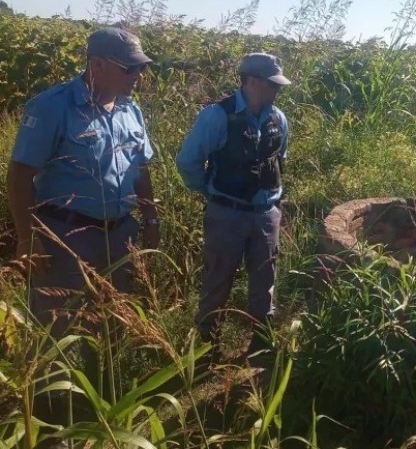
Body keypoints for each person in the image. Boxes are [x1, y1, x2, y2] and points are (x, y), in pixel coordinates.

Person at [6, 26, 158, 446]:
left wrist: (152, 223)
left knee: (113, 325)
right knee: (56, 331)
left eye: (140, 68)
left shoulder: (131, 110)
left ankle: (102, 408)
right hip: (65, 236)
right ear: (97, 65)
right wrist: (27, 239)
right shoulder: (54, 107)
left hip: (121, 235)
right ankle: (52, 425)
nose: (137, 76)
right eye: (129, 68)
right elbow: (20, 176)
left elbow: (143, 172)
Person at [175, 52, 290, 363]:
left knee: (265, 282)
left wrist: (273, 199)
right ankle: (206, 351)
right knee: (217, 280)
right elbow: (188, 162)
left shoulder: (277, 118)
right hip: (226, 213)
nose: (277, 90)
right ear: (250, 81)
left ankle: (261, 346)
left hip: (266, 214)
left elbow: (280, 159)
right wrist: (212, 192)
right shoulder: (216, 116)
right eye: (271, 84)